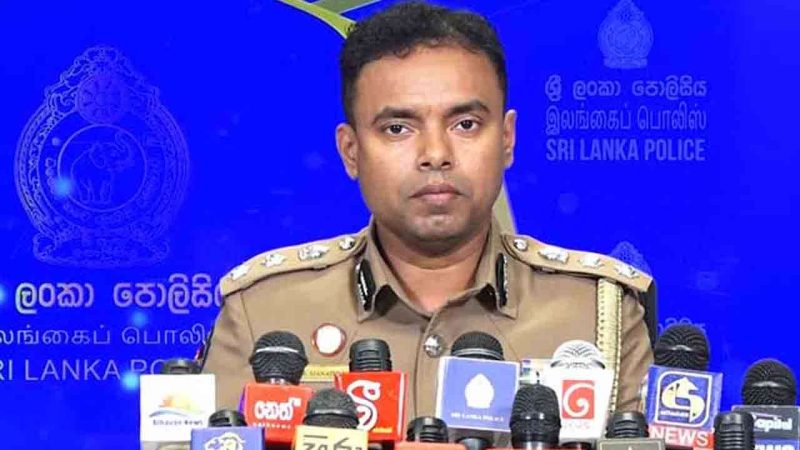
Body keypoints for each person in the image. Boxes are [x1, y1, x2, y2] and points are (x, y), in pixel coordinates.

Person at [201, 1, 655, 417]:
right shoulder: (266, 312)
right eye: (398, 128)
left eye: (465, 124)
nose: (435, 153)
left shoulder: (596, 314)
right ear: (351, 151)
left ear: (506, 139)